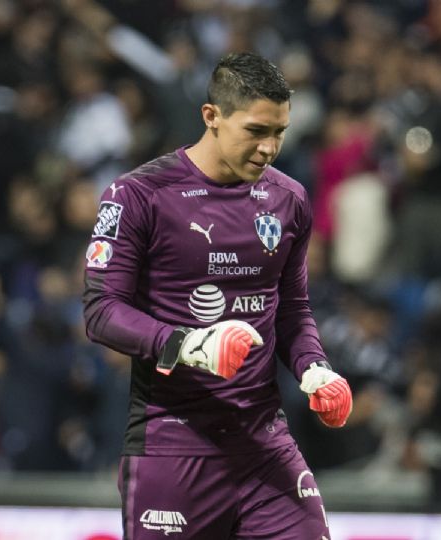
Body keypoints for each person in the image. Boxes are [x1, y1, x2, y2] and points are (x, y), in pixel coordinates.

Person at [82, 52, 353, 539]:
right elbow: (102, 310)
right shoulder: (138, 195)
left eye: (280, 132)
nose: (270, 147)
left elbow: (292, 309)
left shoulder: (288, 199)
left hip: (265, 443)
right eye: (255, 131)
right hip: (173, 448)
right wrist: (188, 344)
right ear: (212, 116)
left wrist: (315, 368)